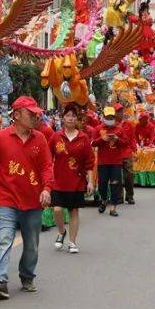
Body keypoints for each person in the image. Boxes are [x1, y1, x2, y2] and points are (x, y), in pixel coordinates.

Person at [0, 95, 54, 299]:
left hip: (33, 200)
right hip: (6, 199)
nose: (36, 117)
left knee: (32, 244)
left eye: (36, 114)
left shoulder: (40, 139)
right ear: (17, 115)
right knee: (4, 238)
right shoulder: (0, 138)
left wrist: (46, 189)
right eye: (31, 114)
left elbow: (46, 166)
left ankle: (27, 275)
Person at [48, 104, 94, 254]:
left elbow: (89, 162)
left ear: (77, 119)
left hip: (76, 181)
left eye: (73, 116)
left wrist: (90, 181)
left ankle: (72, 242)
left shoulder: (83, 138)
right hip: (58, 181)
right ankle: (61, 231)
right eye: (68, 115)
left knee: (74, 211)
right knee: (57, 209)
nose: (71, 118)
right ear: (62, 118)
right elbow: (47, 158)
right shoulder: (56, 137)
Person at [92, 106, 128, 217]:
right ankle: (104, 199)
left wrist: (117, 139)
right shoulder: (98, 129)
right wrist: (102, 139)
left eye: (111, 117)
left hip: (116, 162)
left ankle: (113, 207)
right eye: (108, 117)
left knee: (115, 184)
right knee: (102, 185)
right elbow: (93, 143)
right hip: (103, 162)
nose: (110, 119)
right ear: (104, 117)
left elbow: (125, 143)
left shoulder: (119, 129)